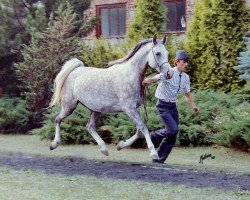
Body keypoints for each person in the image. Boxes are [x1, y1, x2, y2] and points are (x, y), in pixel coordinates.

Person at [142, 50, 200, 164]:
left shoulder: (185, 78)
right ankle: (153, 136)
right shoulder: (168, 72)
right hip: (163, 105)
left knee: (173, 135)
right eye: (184, 62)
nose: (186, 64)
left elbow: (187, 94)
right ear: (177, 62)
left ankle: (158, 159)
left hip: (172, 106)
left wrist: (194, 106)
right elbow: (155, 79)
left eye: (187, 62)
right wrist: (146, 82)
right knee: (173, 129)